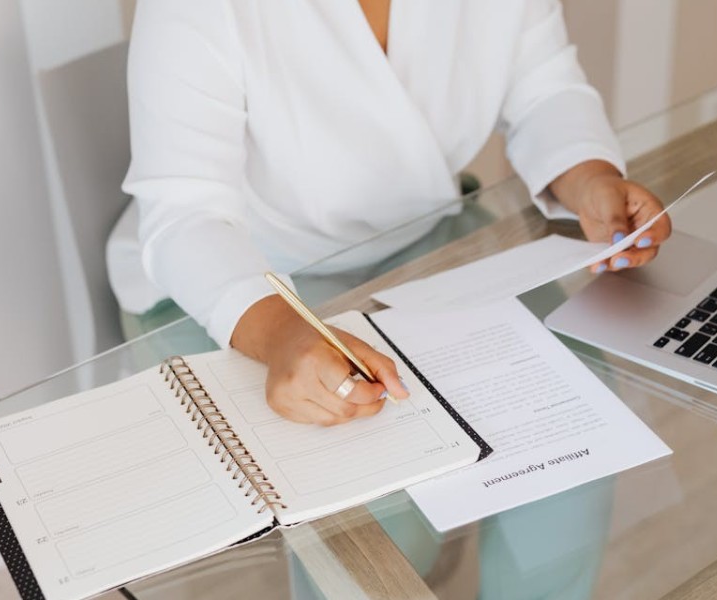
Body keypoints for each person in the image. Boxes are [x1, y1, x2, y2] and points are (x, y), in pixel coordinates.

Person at [110, 1, 670, 596]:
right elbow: (185, 217)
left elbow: (544, 90)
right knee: (374, 500)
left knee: (579, 410)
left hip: (424, 241)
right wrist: (281, 332)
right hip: (242, 281)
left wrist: (589, 178)